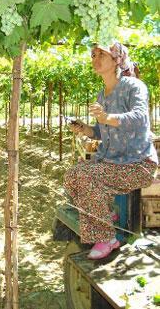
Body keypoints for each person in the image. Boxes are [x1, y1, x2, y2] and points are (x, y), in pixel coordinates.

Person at [63, 42, 158, 260]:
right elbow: (102, 131)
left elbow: (140, 118)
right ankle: (104, 213)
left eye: (101, 55)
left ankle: (107, 237)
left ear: (116, 59)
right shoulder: (101, 95)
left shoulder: (134, 86)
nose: (95, 59)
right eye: (93, 54)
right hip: (111, 163)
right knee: (71, 176)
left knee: (85, 176)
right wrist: (86, 129)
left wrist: (107, 117)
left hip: (137, 164)